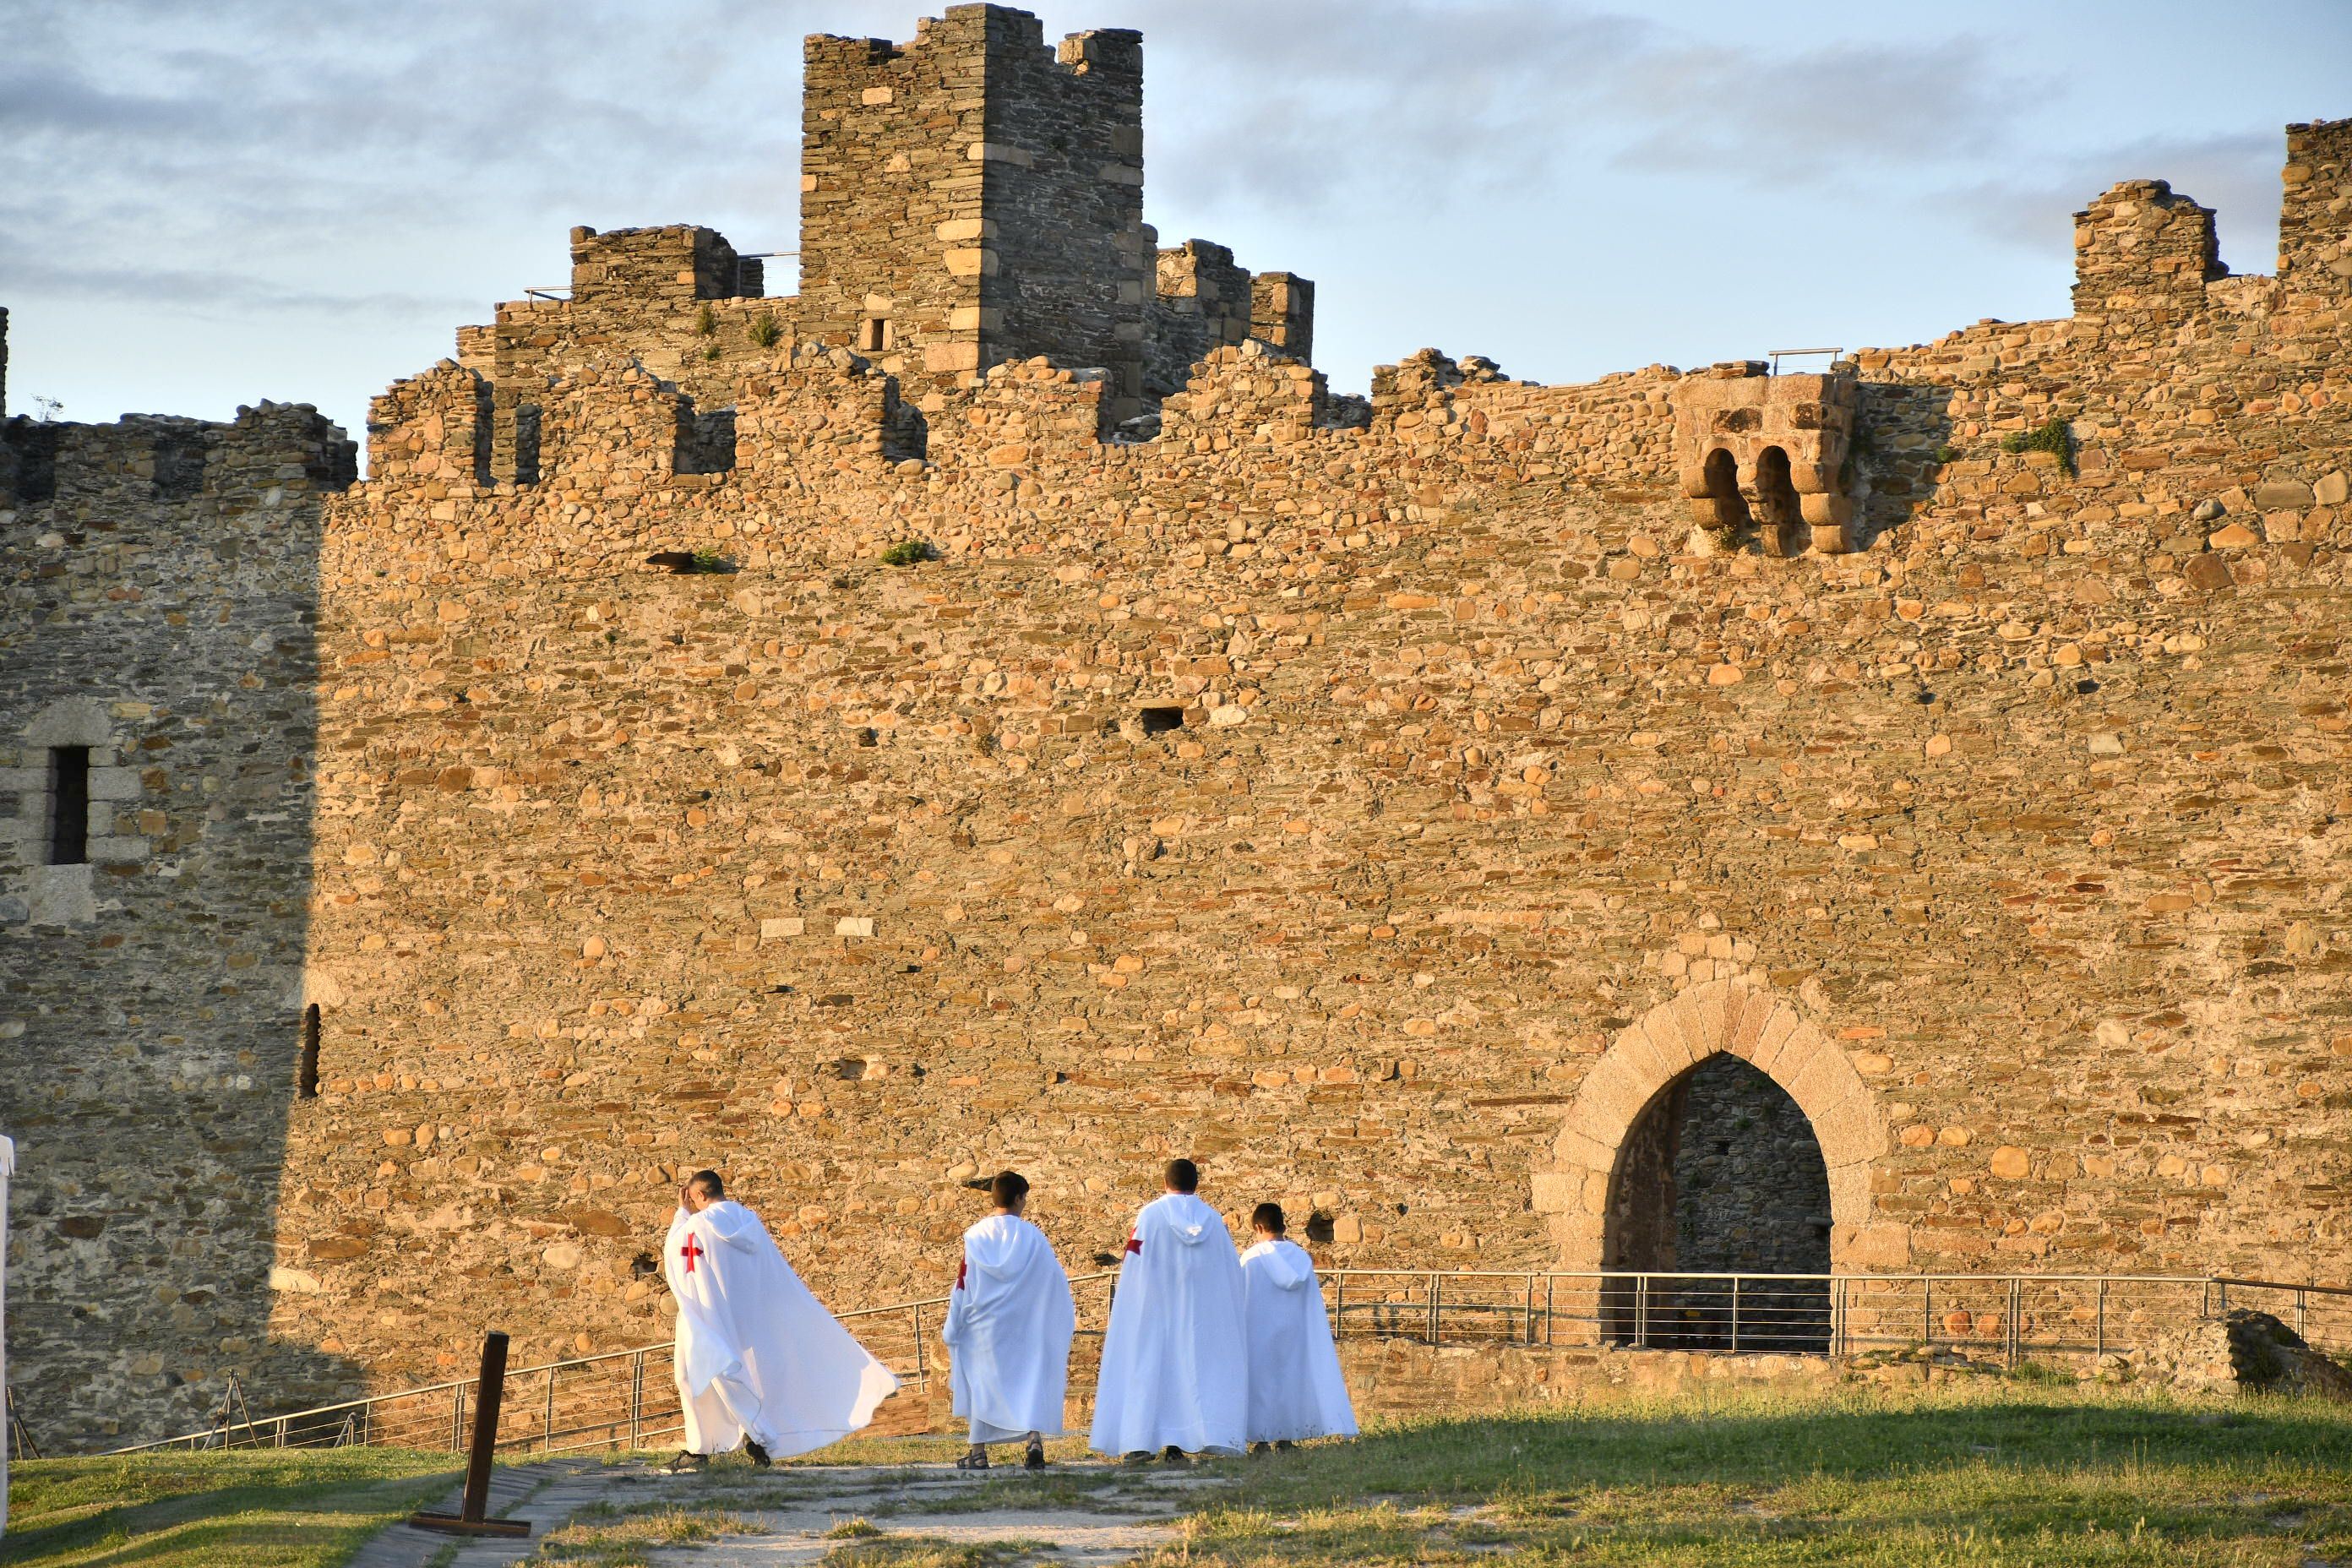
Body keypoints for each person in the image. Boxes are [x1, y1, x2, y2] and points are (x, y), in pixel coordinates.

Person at [662, 1168, 899, 1472]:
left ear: (700, 1196)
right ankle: (750, 1435)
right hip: (747, 1315)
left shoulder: (696, 1225)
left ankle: (705, 1449)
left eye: (693, 1198)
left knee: (692, 1376)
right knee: (735, 1376)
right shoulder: (749, 1221)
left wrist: (681, 1214)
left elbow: (675, 1254)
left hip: (709, 1316)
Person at [1088, 1158, 1247, 1465]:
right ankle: (1179, 1446)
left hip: (1156, 1312)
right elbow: (1230, 1270)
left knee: (1150, 1372)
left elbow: (1135, 1266)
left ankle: (1140, 1442)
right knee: (1189, 1375)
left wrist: (1132, 1305)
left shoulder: (1150, 1216)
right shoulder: (1213, 1221)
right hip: (1199, 1317)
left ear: (1165, 1183)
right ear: (1196, 1184)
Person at [941, 1170, 1075, 1471]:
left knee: (981, 1385)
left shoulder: (975, 1236)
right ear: (1019, 1199)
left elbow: (963, 1283)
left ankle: (978, 1453)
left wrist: (953, 1323)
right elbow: (1053, 1281)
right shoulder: (1034, 1237)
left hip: (984, 1327)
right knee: (1029, 1379)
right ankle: (1034, 1441)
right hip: (1025, 1327)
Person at [1239, 1202, 1358, 1454]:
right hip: (1294, 1334)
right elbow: (1311, 1303)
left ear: (1259, 1227)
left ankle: (1260, 1440)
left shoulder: (1251, 1258)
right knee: (1291, 1383)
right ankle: (1286, 1438)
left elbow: (1241, 1297)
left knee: (1259, 1384)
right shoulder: (1301, 1259)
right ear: (1283, 1225)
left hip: (1257, 1332)